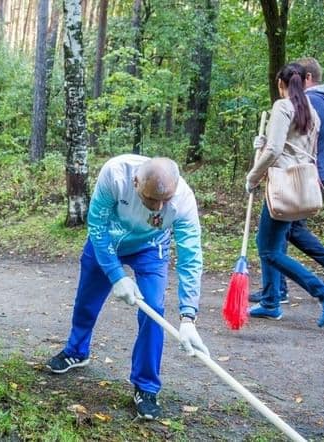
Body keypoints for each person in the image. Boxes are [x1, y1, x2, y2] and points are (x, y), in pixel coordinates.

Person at [46, 155, 210, 421]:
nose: (158, 208)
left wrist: (188, 316)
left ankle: (146, 387)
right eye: (151, 199)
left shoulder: (183, 201)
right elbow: (96, 224)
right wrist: (115, 274)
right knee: (86, 299)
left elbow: (191, 258)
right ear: (135, 182)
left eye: (164, 201)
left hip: (150, 248)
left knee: (153, 309)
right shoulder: (115, 174)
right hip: (106, 241)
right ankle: (76, 351)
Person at [248, 57, 324, 305]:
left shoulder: (305, 104)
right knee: (284, 236)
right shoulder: (323, 106)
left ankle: (321, 287)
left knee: (274, 244)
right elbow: (296, 143)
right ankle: (273, 294)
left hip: (290, 180)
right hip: (307, 178)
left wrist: (254, 175)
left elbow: (280, 148)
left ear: (305, 79)